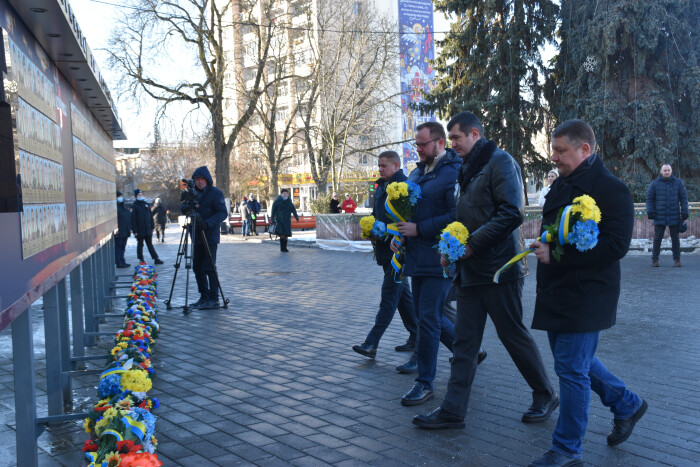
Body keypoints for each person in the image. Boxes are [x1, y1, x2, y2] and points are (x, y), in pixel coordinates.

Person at [413, 111, 556, 429]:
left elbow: (512, 212)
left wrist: (472, 245)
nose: (452, 144)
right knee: (464, 342)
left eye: (456, 138)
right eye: (450, 139)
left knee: (512, 336)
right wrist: (450, 248)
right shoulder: (467, 168)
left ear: (475, 134)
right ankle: (453, 411)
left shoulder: (501, 162)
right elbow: (463, 216)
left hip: (499, 269)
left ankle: (545, 394)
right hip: (470, 269)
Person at [528, 120, 646, 467]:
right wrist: (546, 243)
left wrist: (557, 255)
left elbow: (615, 245)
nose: (554, 157)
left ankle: (566, 449)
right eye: (554, 150)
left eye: (561, 150)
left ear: (585, 149)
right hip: (557, 291)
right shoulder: (562, 185)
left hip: (587, 295)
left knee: (571, 370)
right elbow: (556, 229)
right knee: (574, 363)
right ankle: (627, 403)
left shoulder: (611, 189)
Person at [390, 121, 459, 406]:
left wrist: (419, 230)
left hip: (439, 257)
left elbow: (456, 216)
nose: (417, 149)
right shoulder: (418, 173)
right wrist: (401, 237)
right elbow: (411, 213)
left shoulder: (453, 172)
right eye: (415, 144)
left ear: (440, 143)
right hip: (418, 257)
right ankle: (466, 351)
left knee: (428, 320)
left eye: (422, 144)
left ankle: (425, 382)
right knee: (423, 315)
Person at [352, 151, 418, 362]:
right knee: (403, 298)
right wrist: (371, 228)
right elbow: (377, 214)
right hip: (384, 248)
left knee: (389, 296)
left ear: (396, 165)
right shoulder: (381, 185)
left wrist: (390, 234)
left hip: (398, 251)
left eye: (383, 166)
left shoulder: (405, 187)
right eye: (378, 166)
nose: (379, 169)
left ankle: (372, 343)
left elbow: (406, 220)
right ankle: (416, 335)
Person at [186, 166, 228, 309]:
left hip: (209, 235)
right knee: (197, 267)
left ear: (207, 180)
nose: (199, 182)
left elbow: (222, 213)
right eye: (196, 179)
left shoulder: (215, 193)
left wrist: (208, 223)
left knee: (209, 267)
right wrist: (185, 207)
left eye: (201, 179)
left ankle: (214, 298)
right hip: (196, 235)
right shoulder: (192, 193)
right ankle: (203, 296)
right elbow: (184, 207)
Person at [646, 164, 689, 267]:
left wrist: (684, 211)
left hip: (674, 215)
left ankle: (677, 260)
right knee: (657, 238)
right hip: (659, 215)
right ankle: (655, 260)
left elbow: (684, 198)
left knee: (675, 238)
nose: (666, 172)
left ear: (671, 170)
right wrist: (650, 211)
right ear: (661, 171)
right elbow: (649, 198)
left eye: (668, 170)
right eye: (664, 170)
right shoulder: (654, 184)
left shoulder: (678, 183)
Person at [130, 189, 164, 265]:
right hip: (139, 230)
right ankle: (141, 259)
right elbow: (133, 220)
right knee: (140, 245)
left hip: (148, 229)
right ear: (136, 196)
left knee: (150, 245)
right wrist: (135, 231)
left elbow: (150, 217)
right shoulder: (134, 206)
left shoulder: (146, 204)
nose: (141, 196)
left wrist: (152, 227)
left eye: (142, 194)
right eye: (139, 195)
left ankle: (156, 258)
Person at [115, 191, 131, 268]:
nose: (121, 198)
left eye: (121, 196)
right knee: (119, 248)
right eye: (119, 196)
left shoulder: (123, 207)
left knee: (122, 248)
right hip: (119, 232)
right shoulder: (115, 208)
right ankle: (119, 262)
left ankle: (122, 261)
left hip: (125, 231)